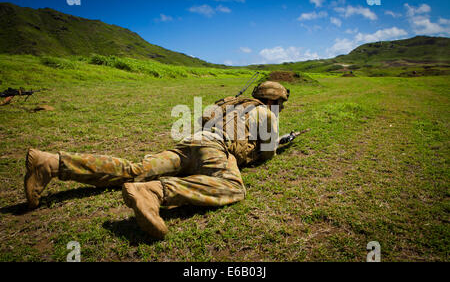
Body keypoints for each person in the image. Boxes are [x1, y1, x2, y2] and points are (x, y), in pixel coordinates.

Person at [23, 81, 291, 239]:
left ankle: (52, 163)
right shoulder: (265, 114)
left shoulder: (226, 104)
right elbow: (268, 153)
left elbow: (201, 120)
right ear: (274, 102)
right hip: (215, 149)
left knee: (134, 169)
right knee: (233, 187)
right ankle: (154, 192)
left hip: (190, 143)